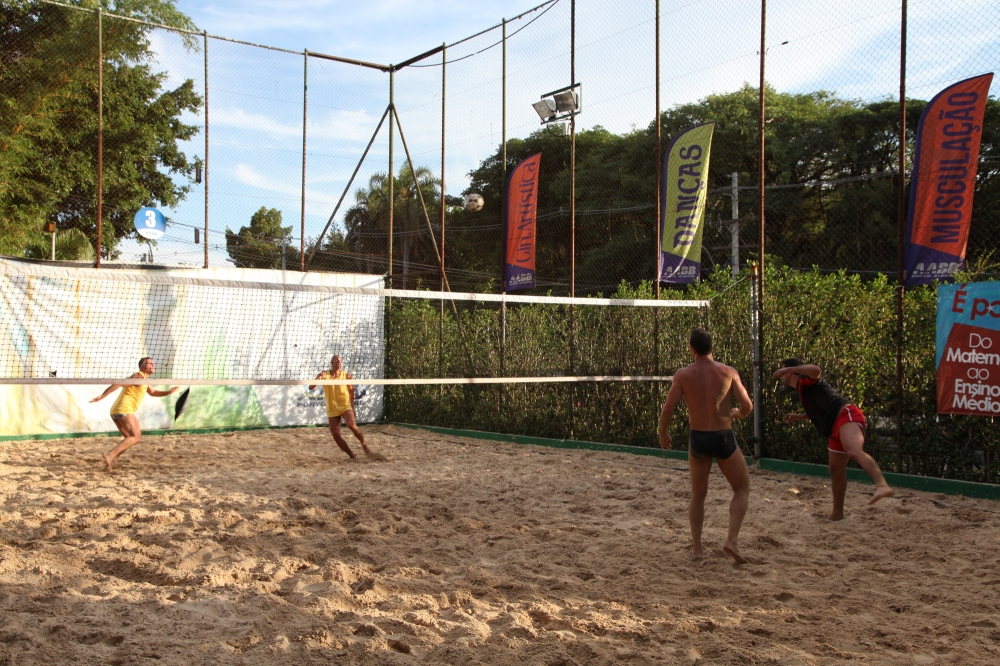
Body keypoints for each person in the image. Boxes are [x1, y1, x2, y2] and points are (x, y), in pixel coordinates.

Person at [659, 328, 754, 563]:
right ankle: (731, 540)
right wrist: (737, 414)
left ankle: (697, 547)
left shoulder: (683, 375)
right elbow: (747, 406)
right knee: (741, 488)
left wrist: (663, 433)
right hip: (723, 436)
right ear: (712, 348)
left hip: (698, 437)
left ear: (692, 349)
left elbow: (668, 409)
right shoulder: (728, 372)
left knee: (698, 494)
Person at [774, 359, 894, 520]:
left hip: (846, 415)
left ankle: (882, 485)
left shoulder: (805, 380)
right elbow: (822, 408)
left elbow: (816, 369)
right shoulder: (802, 389)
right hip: (834, 426)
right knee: (836, 470)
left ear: (789, 372)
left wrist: (790, 367)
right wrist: (801, 417)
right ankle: (837, 513)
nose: (780, 375)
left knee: (854, 451)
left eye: (783, 370)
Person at [91, 357, 178, 471]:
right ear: (142, 366)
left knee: (129, 439)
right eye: (149, 363)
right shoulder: (139, 376)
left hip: (116, 410)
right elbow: (119, 383)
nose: (152, 365)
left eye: (152, 363)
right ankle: (110, 455)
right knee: (136, 437)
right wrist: (103, 396)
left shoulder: (145, 380)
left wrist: (168, 392)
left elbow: (153, 392)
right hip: (124, 409)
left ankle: (114, 459)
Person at [309, 355, 382, 460]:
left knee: (351, 425)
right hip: (332, 408)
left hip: (345, 406)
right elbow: (310, 387)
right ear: (331, 363)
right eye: (336, 360)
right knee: (335, 435)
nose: (339, 361)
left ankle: (364, 445)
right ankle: (352, 455)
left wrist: (352, 408)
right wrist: (318, 378)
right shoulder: (325, 375)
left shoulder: (346, 376)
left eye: (340, 360)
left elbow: (351, 392)